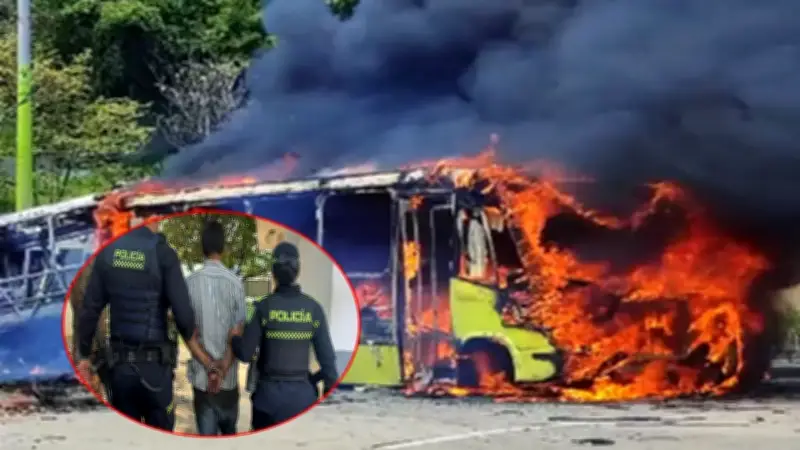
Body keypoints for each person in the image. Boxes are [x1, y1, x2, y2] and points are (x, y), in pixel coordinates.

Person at [75, 217, 221, 431]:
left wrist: (84, 356)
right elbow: (184, 317)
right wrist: (207, 362)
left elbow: (89, 310)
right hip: (155, 372)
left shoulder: (108, 253)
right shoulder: (164, 253)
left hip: (120, 370)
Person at [229, 241, 338, 430]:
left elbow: (245, 354)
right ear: (298, 271)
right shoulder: (313, 310)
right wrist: (313, 383)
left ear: (273, 272)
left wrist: (234, 338)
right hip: (303, 402)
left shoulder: (263, 308)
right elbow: (329, 366)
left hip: (267, 402)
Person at [185, 221, 246, 436]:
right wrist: (221, 369)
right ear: (223, 248)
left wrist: (210, 368)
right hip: (228, 382)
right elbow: (237, 332)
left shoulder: (189, 283)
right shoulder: (236, 284)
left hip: (202, 382)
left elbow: (188, 333)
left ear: (202, 248)